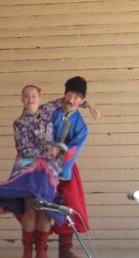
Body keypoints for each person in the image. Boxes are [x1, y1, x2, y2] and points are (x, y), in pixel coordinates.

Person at [0, 82, 99, 258]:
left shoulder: (46, 111)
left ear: (40, 98)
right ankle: (27, 252)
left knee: (46, 209)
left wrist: (88, 104)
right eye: (26, 96)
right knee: (31, 209)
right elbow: (23, 149)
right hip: (31, 168)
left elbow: (67, 100)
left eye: (34, 96)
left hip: (50, 168)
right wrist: (47, 151)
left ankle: (42, 252)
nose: (30, 99)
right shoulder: (19, 122)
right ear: (22, 99)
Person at [50, 76, 94, 258]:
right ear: (64, 94)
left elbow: (74, 150)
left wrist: (62, 171)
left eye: (77, 97)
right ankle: (37, 248)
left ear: (81, 100)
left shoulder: (81, 127)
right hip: (42, 163)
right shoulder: (50, 112)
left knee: (70, 204)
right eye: (70, 94)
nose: (72, 100)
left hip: (65, 170)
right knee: (36, 204)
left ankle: (65, 250)